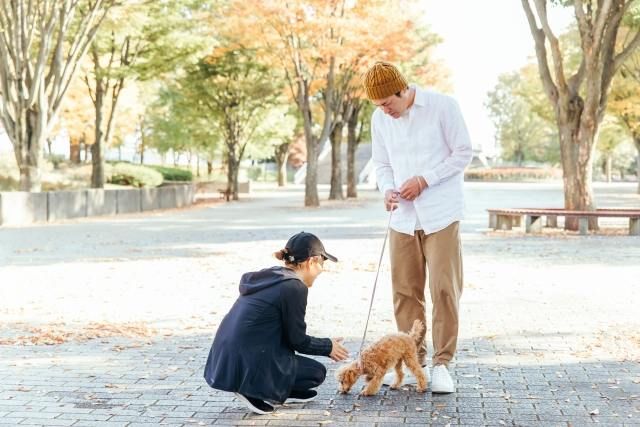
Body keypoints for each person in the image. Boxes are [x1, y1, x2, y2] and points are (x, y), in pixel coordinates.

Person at [363, 61, 473, 394]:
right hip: (402, 218)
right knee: (404, 292)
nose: (384, 110)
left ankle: (442, 364)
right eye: (378, 106)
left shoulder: (443, 106)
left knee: (443, 289)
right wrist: (386, 189)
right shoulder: (379, 119)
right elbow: (381, 164)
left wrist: (426, 180)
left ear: (402, 89)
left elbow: (463, 152)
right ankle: (416, 361)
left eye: (387, 103)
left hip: (441, 213)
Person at [203, 232, 349, 414]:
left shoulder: (274, 276)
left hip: (225, 358)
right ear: (312, 261)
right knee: (316, 373)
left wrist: (324, 343)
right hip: (247, 362)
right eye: (322, 263)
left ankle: (274, 389)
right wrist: (327, 347)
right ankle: (252, 390)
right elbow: (297, 341)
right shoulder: (294, 287)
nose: (322, 269)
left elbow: (285, 334)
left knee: (304, 371)